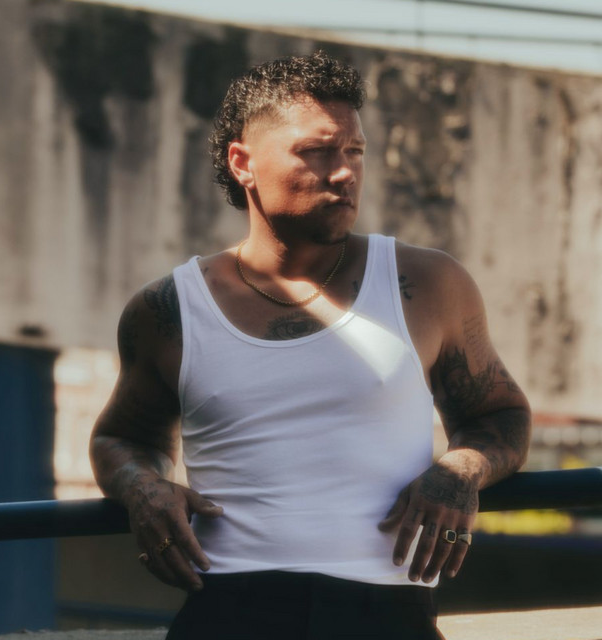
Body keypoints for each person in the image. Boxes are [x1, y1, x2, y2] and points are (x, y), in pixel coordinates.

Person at [90, 52, 531, 639]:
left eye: (355, 151)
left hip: (387, 612)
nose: (345, 173)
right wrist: (143, 488)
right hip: (229, 607)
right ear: (242, 163)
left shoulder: (427, 284)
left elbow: (499, 414)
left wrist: (460, 470)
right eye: (317, 151)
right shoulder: (168, 309)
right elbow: (122, 437)